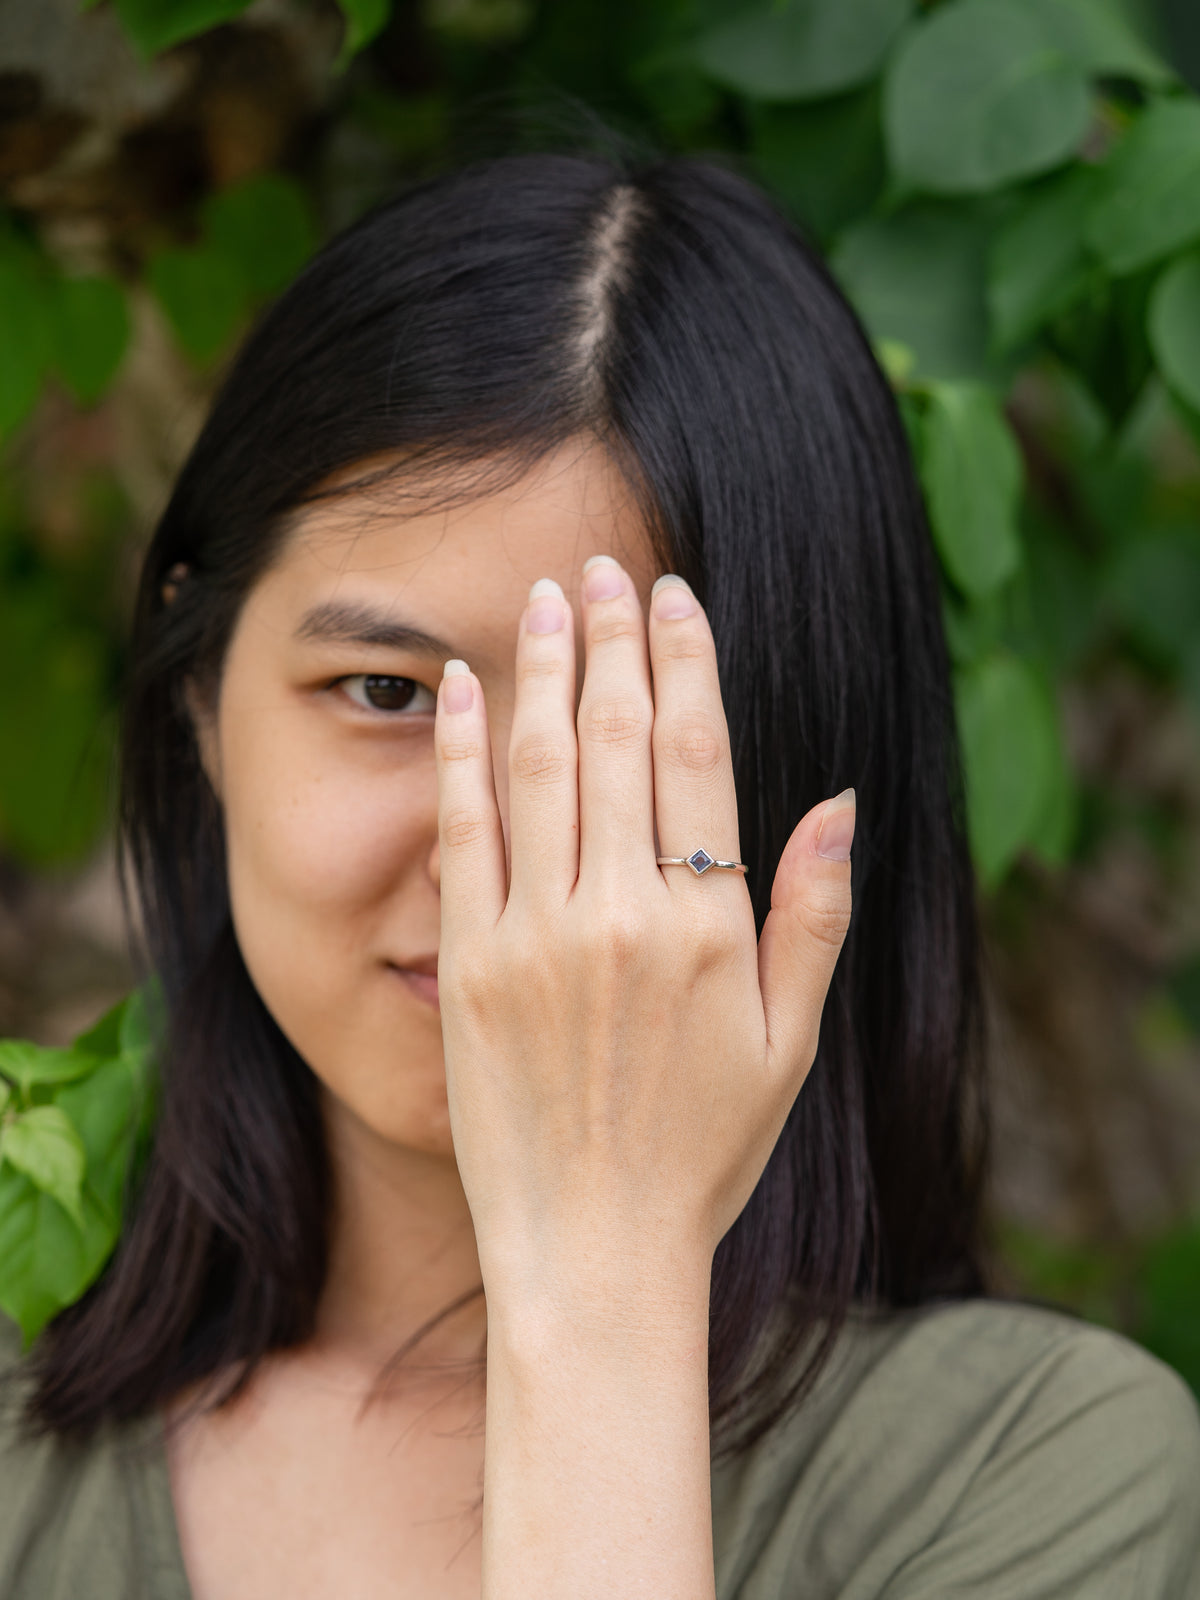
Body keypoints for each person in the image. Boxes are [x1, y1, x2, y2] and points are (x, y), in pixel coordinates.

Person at [2, 141, 1198, 1600]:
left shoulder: (1029, 1472)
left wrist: (600, 1285)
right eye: (386, 694)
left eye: (628, 729)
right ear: (200, 701)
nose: (499, 855)